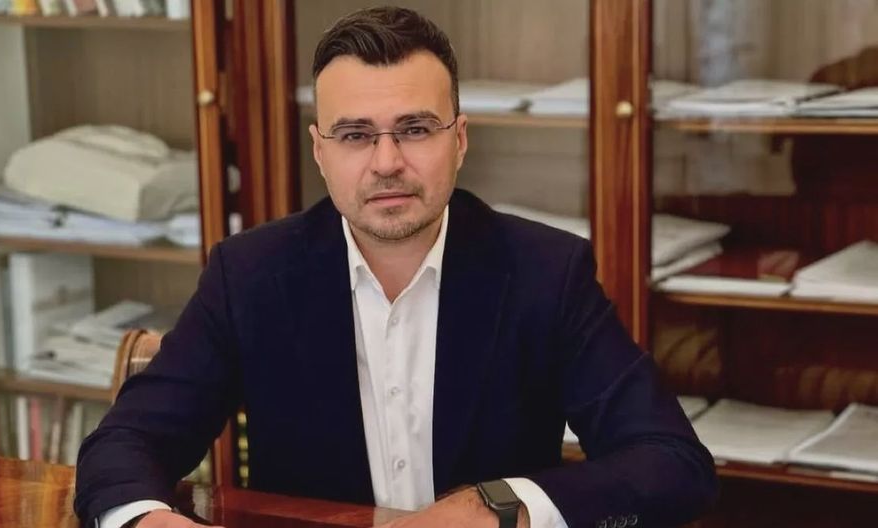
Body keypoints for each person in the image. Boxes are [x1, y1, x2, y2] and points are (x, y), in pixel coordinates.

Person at [74, 6, 717, 528]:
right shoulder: (250, 274)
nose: (386, 163)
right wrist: (147, 521)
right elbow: (125, 443)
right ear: (320, 152)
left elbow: (671, 462)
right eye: (355, 135)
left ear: (458, 140)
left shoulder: (546, 272)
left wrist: (500, 507)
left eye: (414, 129)